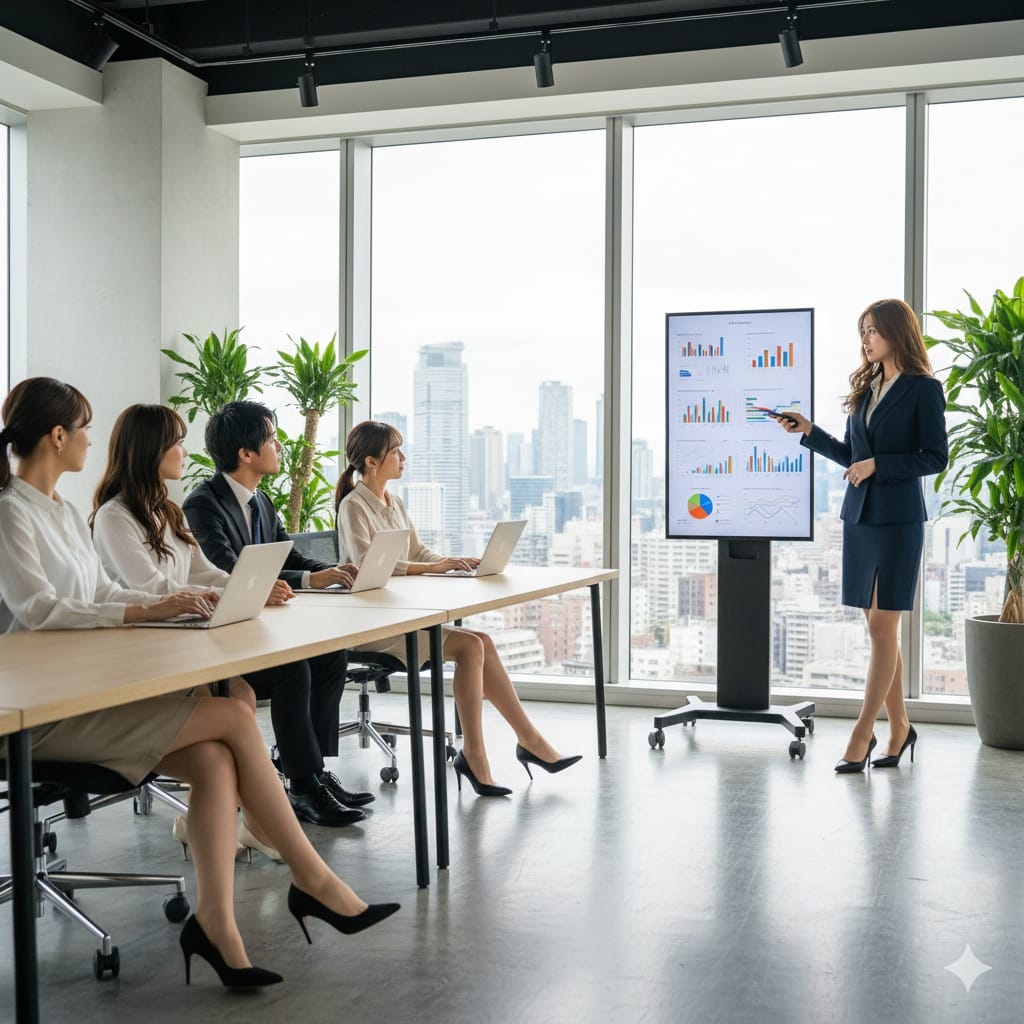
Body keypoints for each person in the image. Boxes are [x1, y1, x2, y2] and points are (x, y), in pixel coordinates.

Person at [0, 377, 399, 988]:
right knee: (236, 715)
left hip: (88, 689)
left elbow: (101, 592)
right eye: (81, 429)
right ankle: (312, 879)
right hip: (36, 711)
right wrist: (144, 609)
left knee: (215, 761)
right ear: (57, 436)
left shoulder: (59, 512)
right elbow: (39, 610)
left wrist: (166, 602)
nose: (89, 440)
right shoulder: (10, 514)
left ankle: (216, 927)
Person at [334, 420, 581, 796]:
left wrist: (450, 560)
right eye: (395, 451)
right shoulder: (354, 507)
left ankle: (527, 739)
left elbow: (415, 553)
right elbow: (371, 564)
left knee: (481, 639)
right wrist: (432, 568)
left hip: (402, 616)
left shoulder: (394, 502)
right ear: (370, 461)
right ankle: (476, 754)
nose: (403, 457)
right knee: (469, 646)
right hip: (375, 627)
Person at [90, 402, 286, 861]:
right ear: (149, 449)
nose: (183, 451)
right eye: (176, 442)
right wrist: (218, 595)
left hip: (180, 642)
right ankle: (256, 823)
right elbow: (152, 589)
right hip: (140, 654)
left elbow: (204, 570)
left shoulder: (168, 510)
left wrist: (248, 588)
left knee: (240, 693)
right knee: (234, 701)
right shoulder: (114, 517)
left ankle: (202, 822)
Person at [772, 299, 948, 773]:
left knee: (882, 626)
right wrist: (809, 432)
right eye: (862, 332)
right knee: (878, 629)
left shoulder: (922, 389)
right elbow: (853, 454)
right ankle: (901, 727)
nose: (866, 339)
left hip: (897, 521)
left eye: (872, 330)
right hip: (861, 519)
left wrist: (879, 466)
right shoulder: (869, 388)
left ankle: (863, 730)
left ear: (897, 332)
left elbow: (935, 457)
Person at [183, 400, 371, 827]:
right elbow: (228, 569)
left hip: (258, 630)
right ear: (245, 454)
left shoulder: (261, 501)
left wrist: (333, 572)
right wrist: (308, 583)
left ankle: (312, 770)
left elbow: (290, 555)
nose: (279, 445)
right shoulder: (204, 504)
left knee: (330, 655)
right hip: (223, 643)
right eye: (271, 438)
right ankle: (303, 788)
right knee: (294, 670)